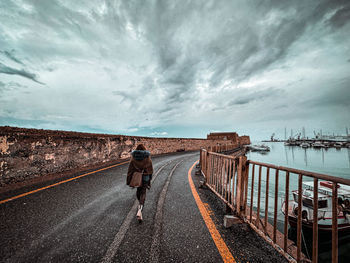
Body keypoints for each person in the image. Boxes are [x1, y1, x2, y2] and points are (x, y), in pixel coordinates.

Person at [127, 144, 153, 222]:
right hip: (145, 176)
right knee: (143, 192)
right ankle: (140, 207)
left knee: (138, 191)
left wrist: (129, 180)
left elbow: (130, 170)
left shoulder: (133, 158)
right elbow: (151, 170)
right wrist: (149, 179)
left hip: (137, 177)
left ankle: (140, 204)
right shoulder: (147, 158)